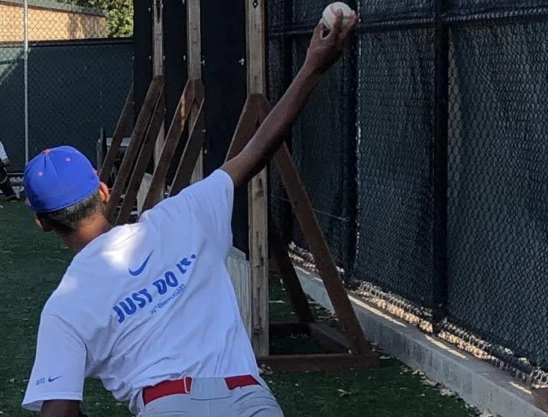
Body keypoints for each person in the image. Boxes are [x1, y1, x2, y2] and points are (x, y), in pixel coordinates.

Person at [20, 12, 357, 417]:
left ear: (42, 222)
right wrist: (312, 66)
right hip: (250, 399)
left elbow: (58, 413)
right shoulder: (183, 214)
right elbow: (258, 148)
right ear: (104, 192)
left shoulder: (65, 306)